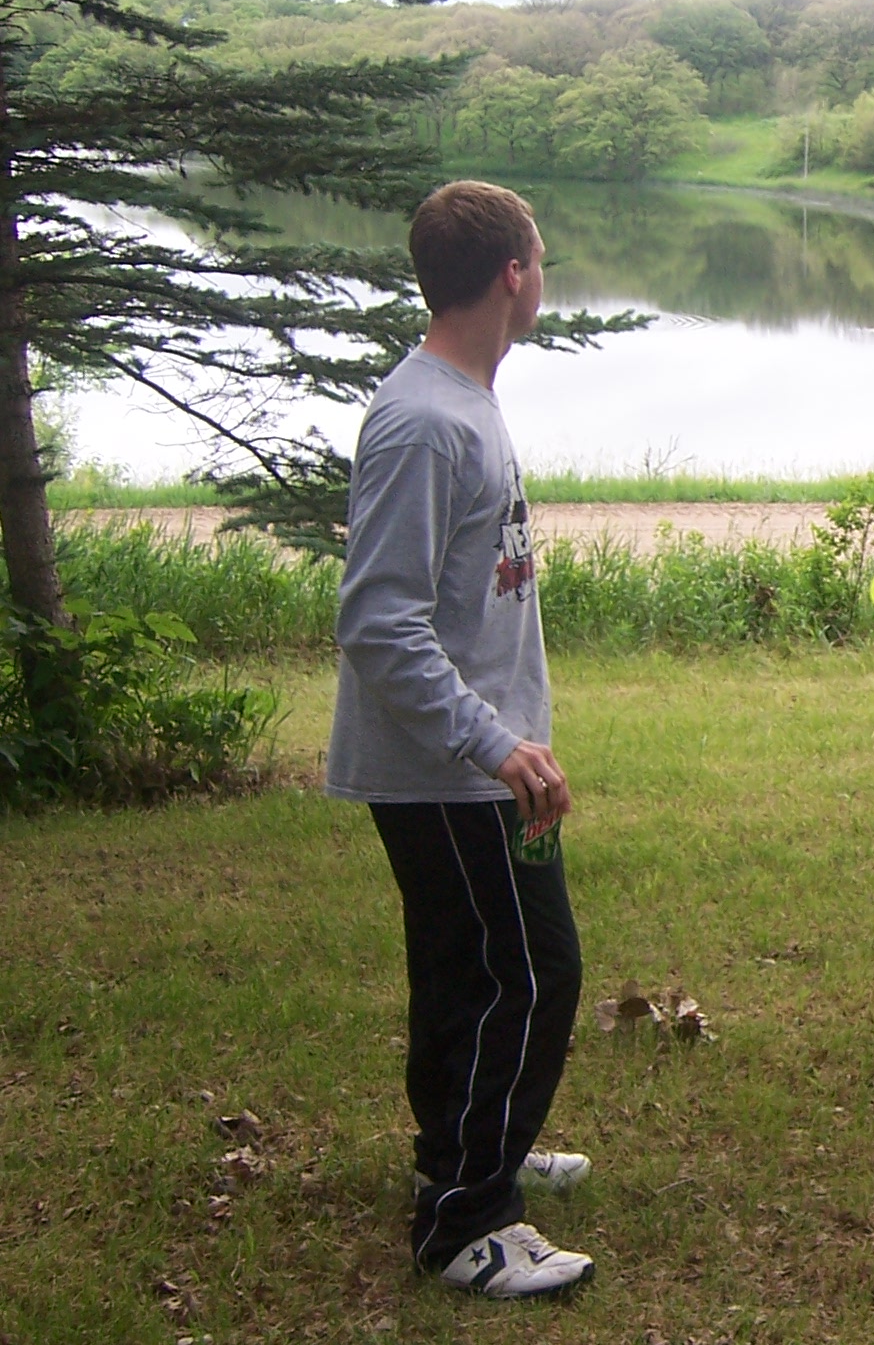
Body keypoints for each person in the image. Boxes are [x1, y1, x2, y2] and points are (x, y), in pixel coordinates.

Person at [327, 180, 594, 1297]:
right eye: (542, 258)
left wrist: (511, 740)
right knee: (520, 976)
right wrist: (493, 743)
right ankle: (466, 1222)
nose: (544, 275)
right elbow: (377, 621)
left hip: (486, 762)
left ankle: (476, 1145)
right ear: (514, 275)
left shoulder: (464, 398)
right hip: (452, 772)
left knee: (472, 972)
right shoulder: (426, 420)